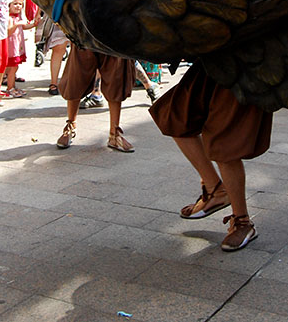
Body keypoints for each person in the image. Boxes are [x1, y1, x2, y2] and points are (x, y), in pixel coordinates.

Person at [149, 63, 265, 251]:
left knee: (224, 142)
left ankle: (242, 221)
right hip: (211, 61)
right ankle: (216, 190)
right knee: (174, 116)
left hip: (243, 63)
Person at [56, 46, 135, 153]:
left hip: (115, 37)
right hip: (84, 36)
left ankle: (114, 134)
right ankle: (71, 125)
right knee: (75, 78)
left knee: (116, 80)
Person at [3, 0, 34, 98]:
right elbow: (8, 32)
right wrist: (17, 24)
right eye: (15, 4)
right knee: (12, 68)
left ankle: (13, 86)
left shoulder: (18, 17)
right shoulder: (10, 18)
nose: (18, 6)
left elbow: (24, 27)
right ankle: (10, 88)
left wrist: (33, 24)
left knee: (15, 68)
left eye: (20, 4)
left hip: (18, 46)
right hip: (11, 47)